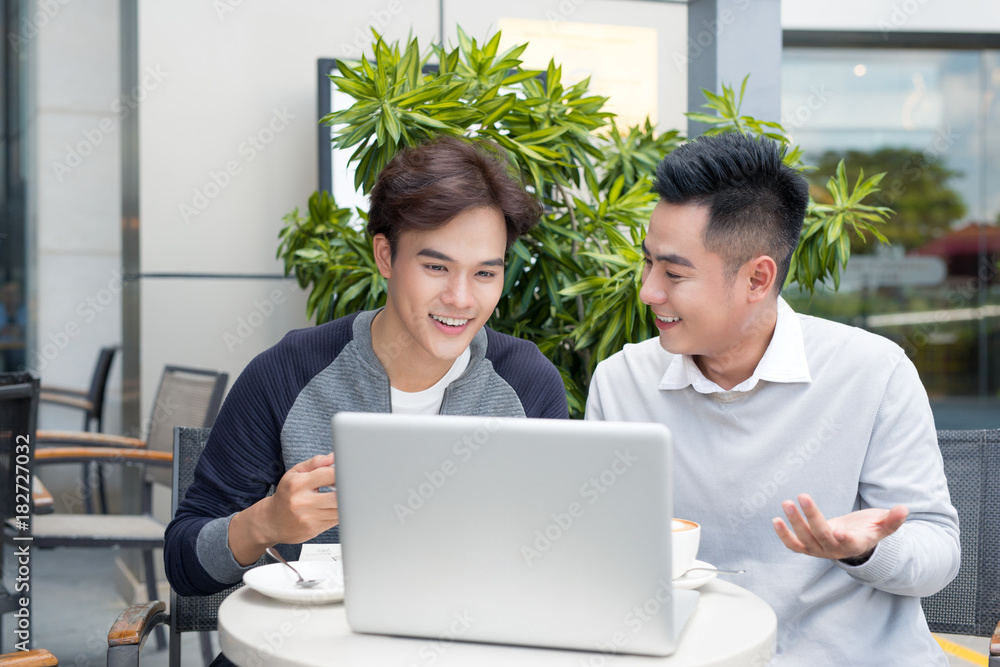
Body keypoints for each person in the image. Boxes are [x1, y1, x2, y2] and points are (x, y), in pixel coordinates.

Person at [585, 132, 959, 664]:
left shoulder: (872, 373)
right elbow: (602, 556)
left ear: (758, 278)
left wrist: (868, 549)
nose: (648, 290)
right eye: (648, 264)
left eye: (673, 273)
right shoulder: (622, 382)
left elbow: (939, 553)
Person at [166, 137, 568, 602]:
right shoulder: (288, 373)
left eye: (485, 273)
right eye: (437, 266)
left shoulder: (528, 383)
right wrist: (265, 523)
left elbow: (561, 559)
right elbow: (184, 565)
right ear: (385, 256)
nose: (461, 298)